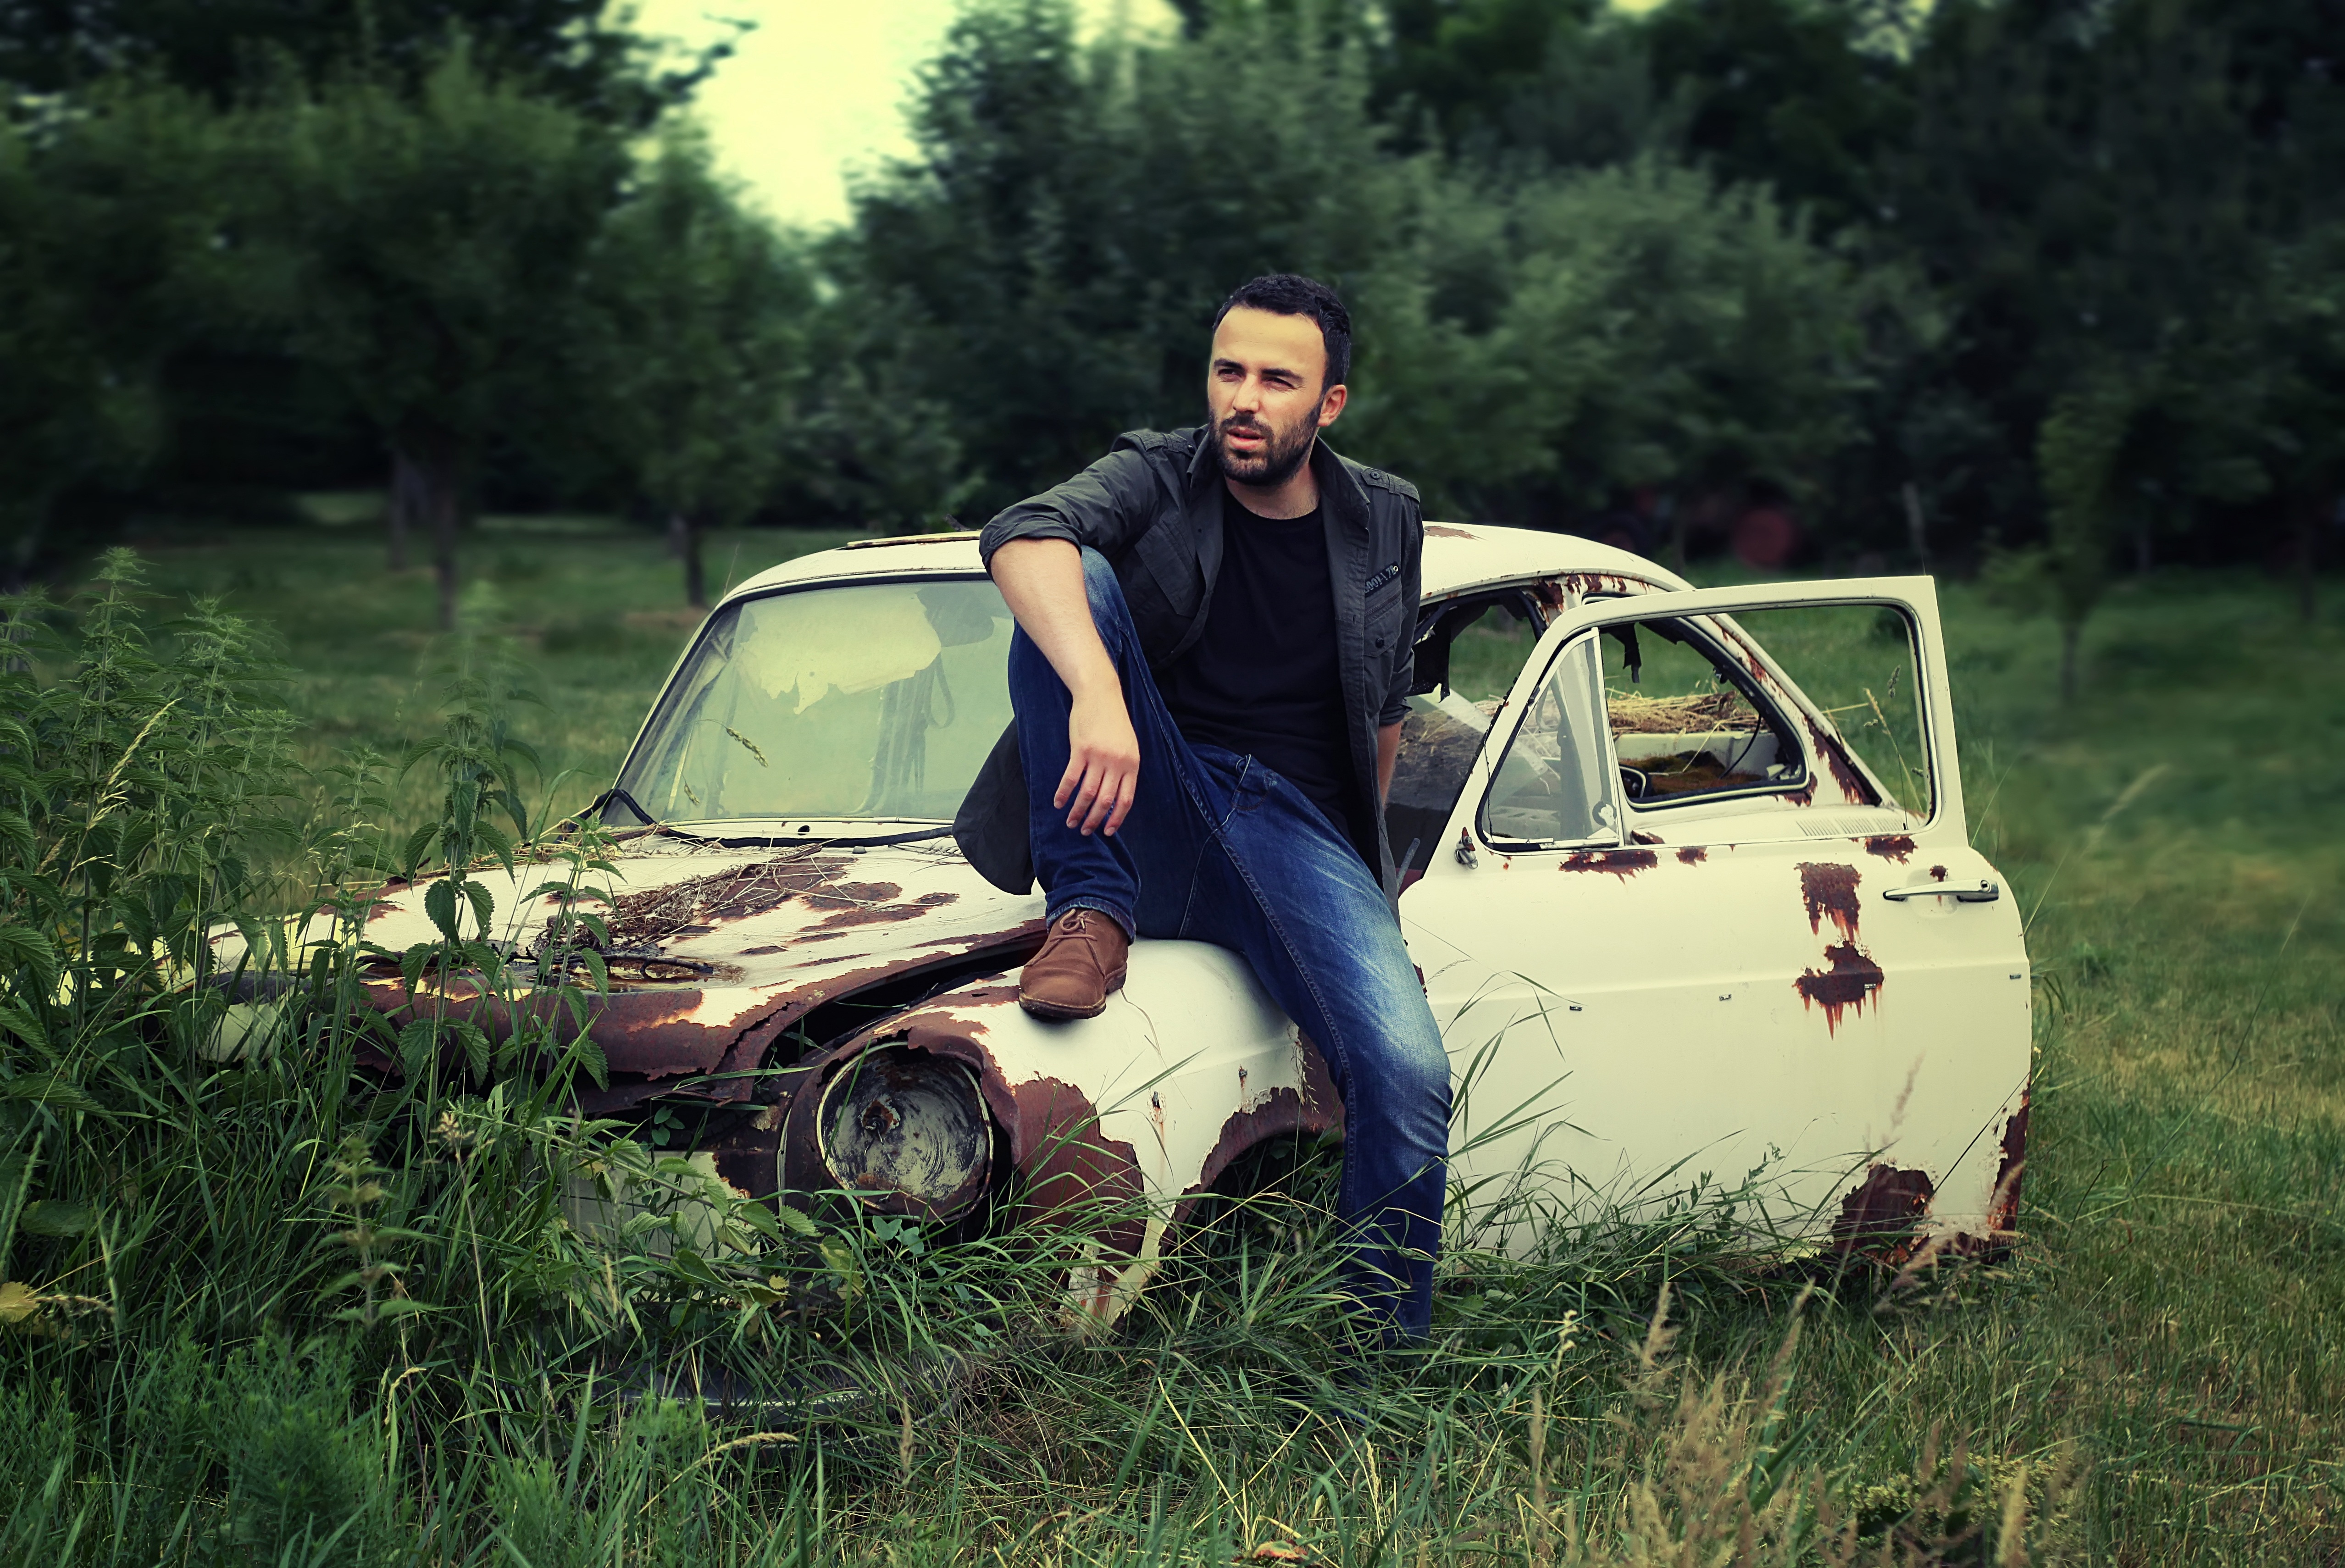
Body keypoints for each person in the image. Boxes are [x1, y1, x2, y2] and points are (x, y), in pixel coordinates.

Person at [952, 273, 1451, 1342]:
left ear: (1330, 405)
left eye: (1279, 380)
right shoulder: (1156, 474)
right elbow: (1020, 536)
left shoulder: (1386, 519)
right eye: (1230, 371)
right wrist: (1097, 693)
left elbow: (1384, 713)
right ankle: (1088, 908)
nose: (1246, 399)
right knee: (1067, 576)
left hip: (1295, 837)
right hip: (1158, 796)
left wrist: (1367, 896)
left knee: (1408, 1075)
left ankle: (1378, 1363)